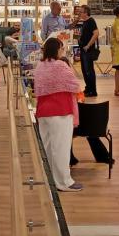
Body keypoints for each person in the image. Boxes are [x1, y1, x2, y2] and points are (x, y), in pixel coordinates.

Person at [34, 37, 84, 192]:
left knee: (48, 148)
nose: (63, 51)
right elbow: (75, 85)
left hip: (43, 111)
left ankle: (49, 179)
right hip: (60, 110)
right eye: (62, 48)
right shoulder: (61, 65)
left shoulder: (40, 66)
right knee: (61, 148)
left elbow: (38, 88)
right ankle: (64, 182)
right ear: (57, 49)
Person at [77, 5, 100, 97]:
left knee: (89, 70)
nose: (79, 13)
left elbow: (96, 33)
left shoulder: (91, 21)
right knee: (84, 70)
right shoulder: (85, 21)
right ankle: (88, 88)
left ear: (86, 13)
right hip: (83, 50)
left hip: (88, 50)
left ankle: (92, 91)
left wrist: (88, 45)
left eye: (81, 12)